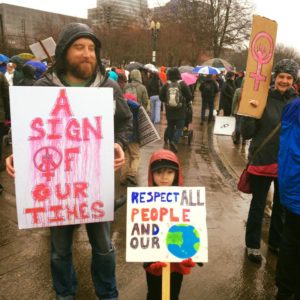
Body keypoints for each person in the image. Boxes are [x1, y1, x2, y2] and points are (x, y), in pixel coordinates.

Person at [5, 22, 132, 300]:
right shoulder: (42, 88)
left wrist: (119, 144)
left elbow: (125, 122)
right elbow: (25, 129)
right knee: (60, 250)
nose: (87, 54)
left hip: (96, 185)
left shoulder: (109, 88)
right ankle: (65, 295)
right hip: (57, 190)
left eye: (91, 48)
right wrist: (18, 153)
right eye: (79, 47)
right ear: (64, 52)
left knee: (103, 247)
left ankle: (108, 294)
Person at [241, 59, 299, 264]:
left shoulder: (296, 103)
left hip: (286, 164)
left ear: (294, 80)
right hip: (263, 159)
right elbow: (246, 133)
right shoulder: (261, 97)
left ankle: (275, 242)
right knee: (258, 205)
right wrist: (249, 112)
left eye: (289, 77)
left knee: (282, 207)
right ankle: (253, 245)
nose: (284, 80)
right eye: (281, 76)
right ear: (275, 77)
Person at [144, 149, 196, 300]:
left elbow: (192, 226)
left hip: (177, 261)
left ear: (176, 174)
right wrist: (148, 260)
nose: (164, 177)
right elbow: (141, 234)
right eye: (158, 172)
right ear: (151, 175)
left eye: (169, 172)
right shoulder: (143, 202)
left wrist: (194, 254)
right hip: (154, 261)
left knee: (173, 294)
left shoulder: (186, 202)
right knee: (153, 294)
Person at [275, 97, 300, 299]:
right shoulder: (295, 108)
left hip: (292, 187)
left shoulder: (293, 107)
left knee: (291, 241)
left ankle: (285, 289)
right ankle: (285, 290)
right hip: (296, 189)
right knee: (292, 241)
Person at [160, 67, 192, 153]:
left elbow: (161, 97)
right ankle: (174, 141)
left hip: (169, 110)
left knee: (170, 126)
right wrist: (185, 102)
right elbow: (189, 96)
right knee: (179, 128)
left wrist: (167, 102)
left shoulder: (166, 84)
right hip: (180, 110)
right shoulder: (182, 84)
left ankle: (170, 142)